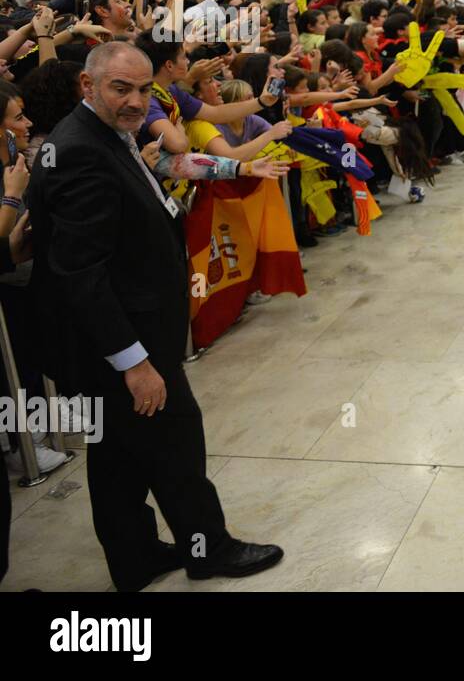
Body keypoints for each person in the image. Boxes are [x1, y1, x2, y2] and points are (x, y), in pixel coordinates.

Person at [27, 41, 285, 591]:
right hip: (125, 339)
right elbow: (82, 274)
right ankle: (207, 547)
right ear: (88, 86)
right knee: (176, 444)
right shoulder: (79, 149)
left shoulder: (102, 134)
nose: (135, 101)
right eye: (121, 88)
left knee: (117, 453)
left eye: (144, 90)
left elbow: (154, 176)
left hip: (127, 331)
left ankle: (136, 554)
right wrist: (134, 362)